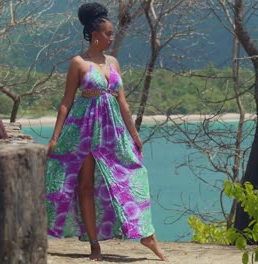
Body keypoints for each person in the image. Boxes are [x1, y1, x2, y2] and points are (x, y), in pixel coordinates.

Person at [45, 2, 166, 261]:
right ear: (95, 34)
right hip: (84, 129)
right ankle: (94, 244)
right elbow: (66, 101)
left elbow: (122, 101)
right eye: (108, 34)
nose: (112, 38)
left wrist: (134, 135)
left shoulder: (113, 62)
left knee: (132, 176)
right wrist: (55, 138)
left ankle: (147, 235)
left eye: (112, 34)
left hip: (112, 131)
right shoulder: (78, 63)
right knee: (85, 186)